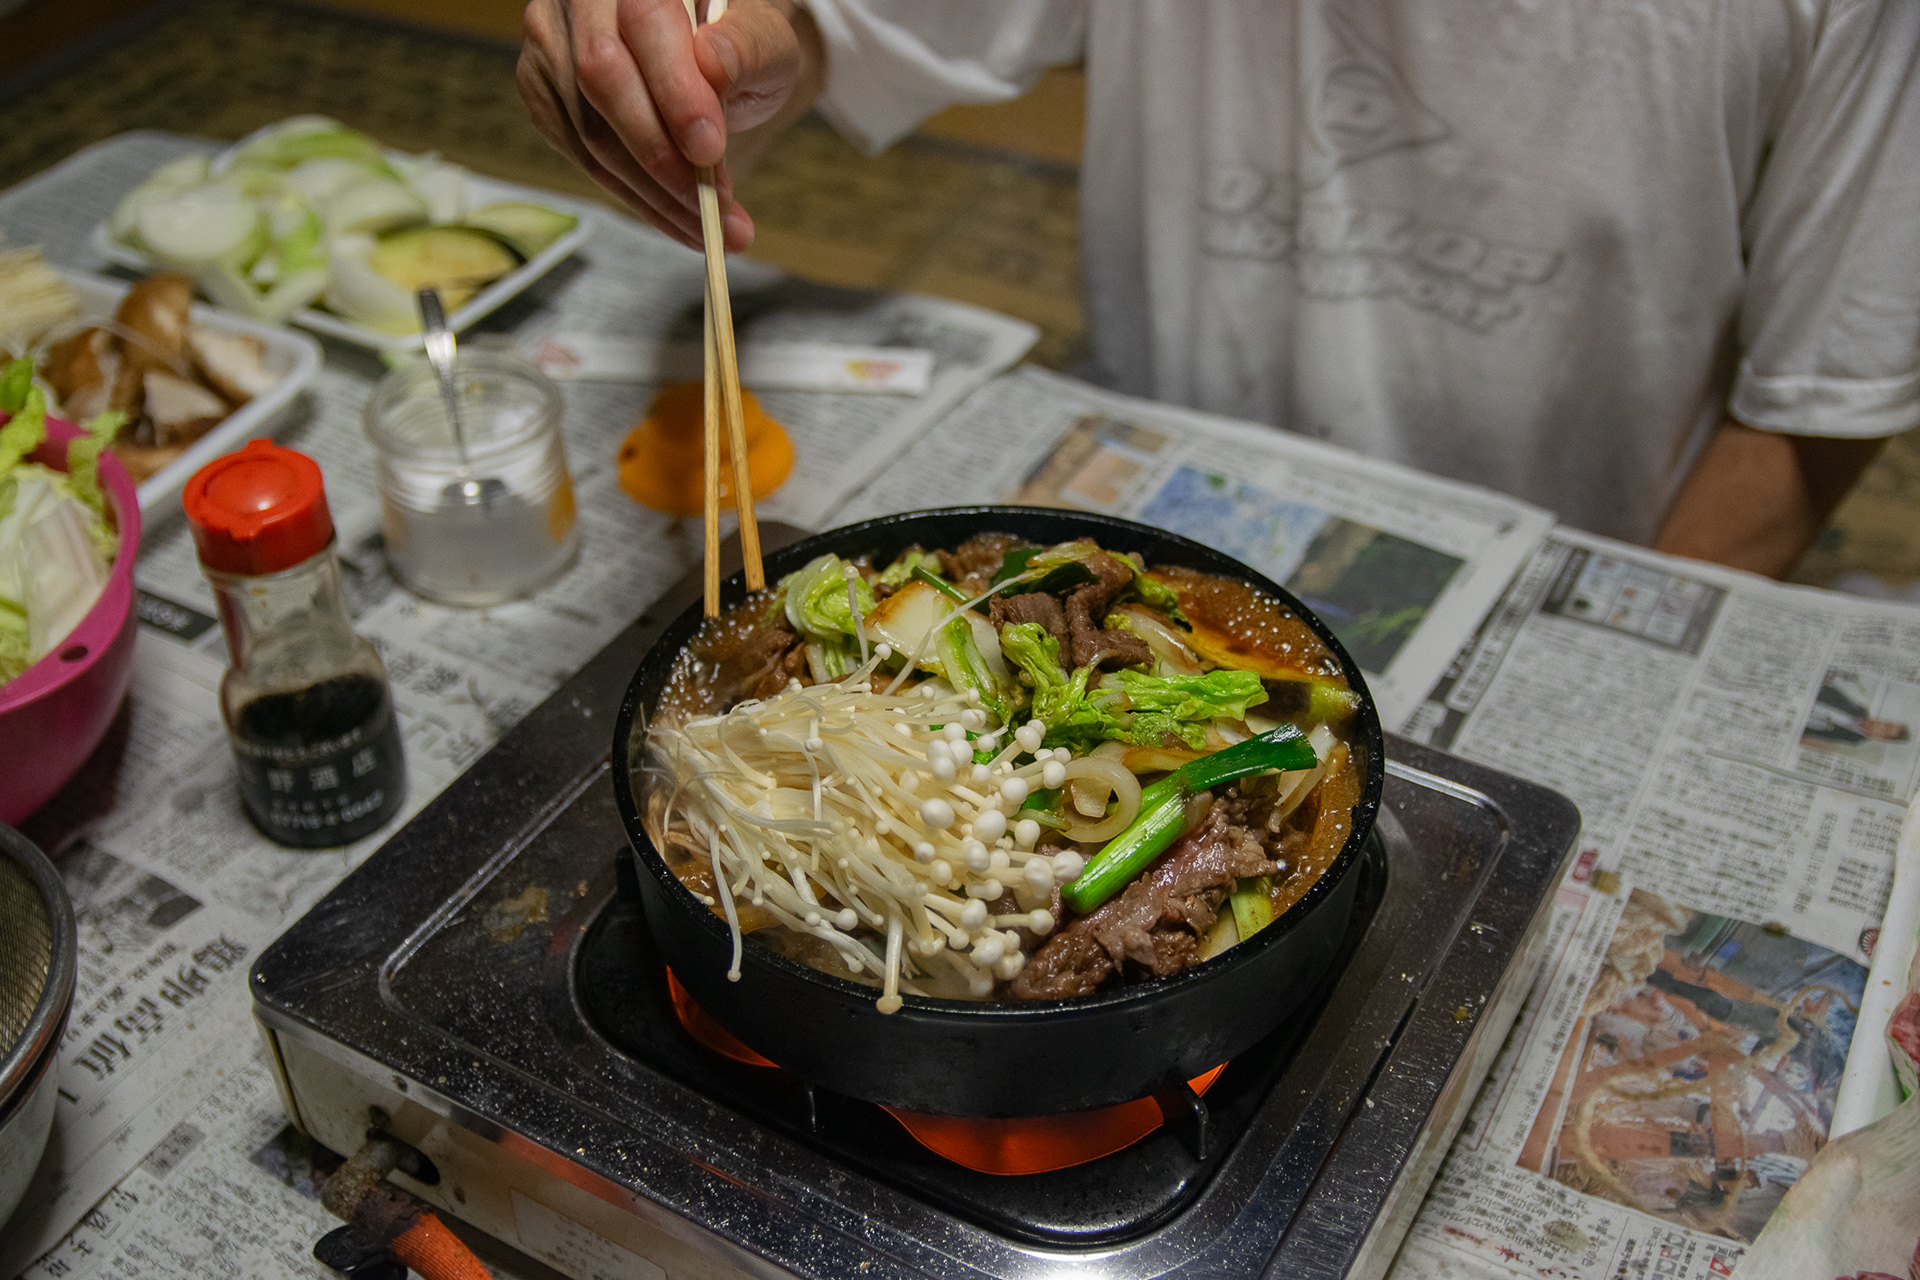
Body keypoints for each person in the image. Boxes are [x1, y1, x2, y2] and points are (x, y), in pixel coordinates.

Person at [517, 0, 1920, 576]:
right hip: (1153, 515)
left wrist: (1601, 665)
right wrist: (707, 61)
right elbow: (830, 29)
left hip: (1567, 544)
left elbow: (1819, 394)